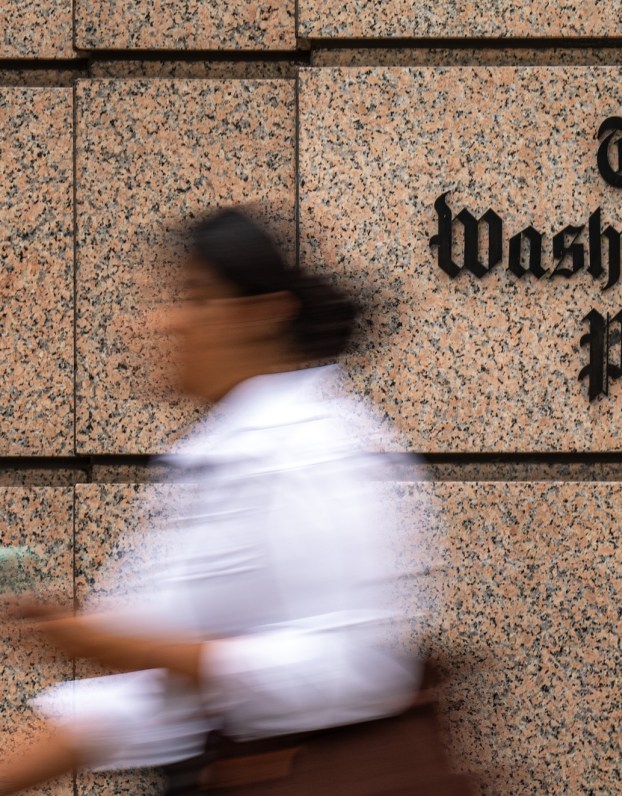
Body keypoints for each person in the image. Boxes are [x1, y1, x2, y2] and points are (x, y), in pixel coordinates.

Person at [0, 209, 442, 794]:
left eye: (195, 296)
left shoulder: (315, 448)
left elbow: (358, 667)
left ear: (262, 314)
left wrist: (124, 646)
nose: (164, 321)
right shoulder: (219, 454)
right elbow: (144, 695)